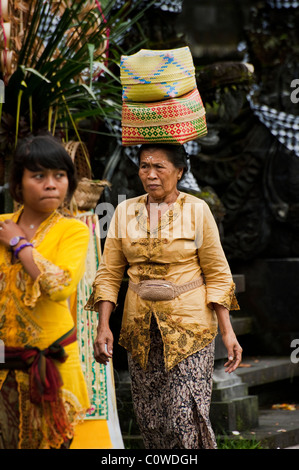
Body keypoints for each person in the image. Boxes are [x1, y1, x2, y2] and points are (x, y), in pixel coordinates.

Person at [86, 143, 242, 449]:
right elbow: (109, 273)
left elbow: (217, 273)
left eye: (160, 167)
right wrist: (103, 325)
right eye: (145, 166)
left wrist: (228, 332)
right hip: (139, 328)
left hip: (190, 329)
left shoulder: (197, 210)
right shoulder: (123, 211)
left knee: (185, 418)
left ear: (180, 172)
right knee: (151, 419)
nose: (151, 174)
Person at [0, 135, 90, 449]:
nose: (51, 184)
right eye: (39, 176)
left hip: (52, 366)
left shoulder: (74, 230)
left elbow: (59, 284)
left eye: (59, 176)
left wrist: (18, 244)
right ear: (18, 183)